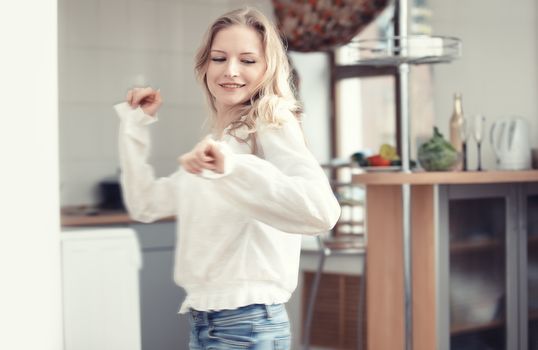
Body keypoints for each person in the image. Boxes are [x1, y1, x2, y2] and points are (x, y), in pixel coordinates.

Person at [113, 7, 340, 350]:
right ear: (204, 66)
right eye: (219, 58)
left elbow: (321, 212)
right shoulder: (220, 145)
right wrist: (134, 126)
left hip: (246, 324)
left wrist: (233, 169)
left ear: (267, 69)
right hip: (207, 321)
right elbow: (146, 205)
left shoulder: (271, 122)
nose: (230, 71)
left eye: (248, 60)